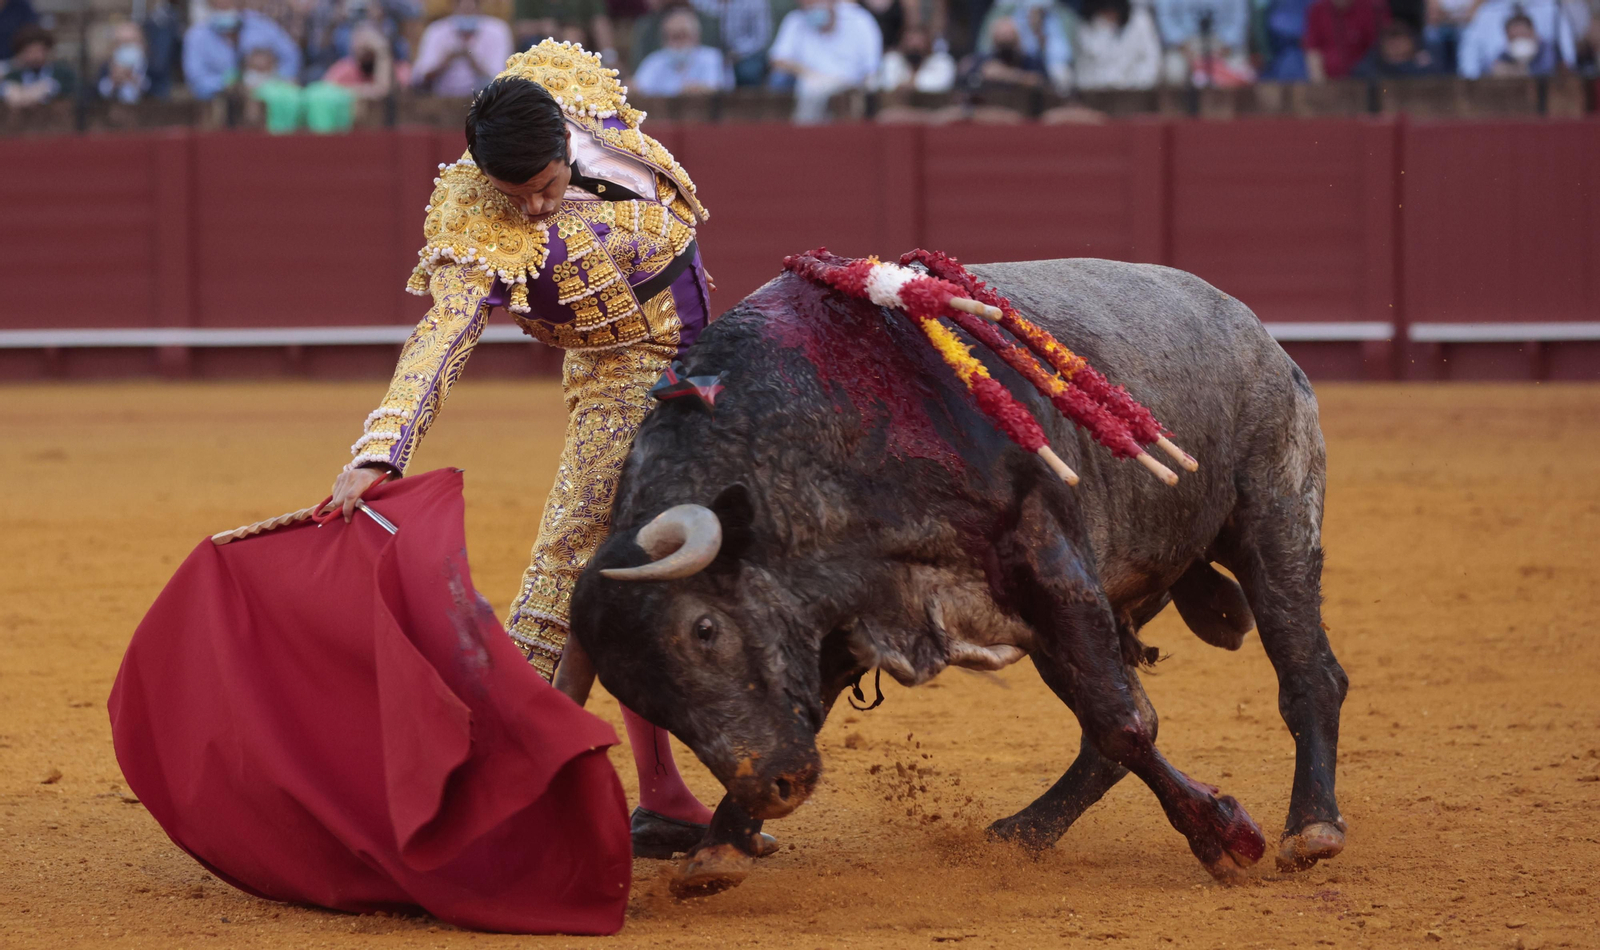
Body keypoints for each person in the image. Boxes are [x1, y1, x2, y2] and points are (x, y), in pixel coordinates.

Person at [325, 40, 764, 859]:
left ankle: (663, 795)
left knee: (681, 555)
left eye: (545, 189)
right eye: (513, 196)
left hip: (715, 351)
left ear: (566, 140)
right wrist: (381, 451)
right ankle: (510, 778)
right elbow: (441, 336)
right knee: (578, 561)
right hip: (619, 374)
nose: (531, 211)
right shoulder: (474, 226)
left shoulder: (567, 88)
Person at [768, 0, 884, 122]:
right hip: (810, 82)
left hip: (851, 83)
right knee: (806, 86)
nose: (811, 7)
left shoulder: (860, 20)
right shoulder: (796, 20)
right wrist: (809, 74)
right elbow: (777, 59)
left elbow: (872, 67)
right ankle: (803, 135)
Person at [182, 0, 302, 100]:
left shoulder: (261, 25)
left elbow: (291, 56)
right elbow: (196, 81)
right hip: (222, 105)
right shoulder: (196, 36)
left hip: (269, 100)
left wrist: (274, 81)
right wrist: (228, 84)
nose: (225, 3)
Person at [412, 0, 514, 95]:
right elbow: (418, 78)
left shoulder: (498, 30)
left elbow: (501, 80)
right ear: (454, 7)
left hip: (484, 100)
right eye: (463, 10)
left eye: (470, 10)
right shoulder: (436, 30)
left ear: (479, 7)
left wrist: (472, 60)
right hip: (442, 98)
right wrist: (445, 61)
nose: (466, 15)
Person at [1455, 0, 1576, 76]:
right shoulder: (1486, 12)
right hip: (1497, 90)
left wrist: (1530, 71)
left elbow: (1568, 59)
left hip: (1546, 88)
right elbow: (1468, 65)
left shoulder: (1552, 8)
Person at [1153, 0, 1255, 85]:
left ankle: (1223, 108)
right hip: (1184, 44)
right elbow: (1165, 18)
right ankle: (1178, 109)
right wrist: (1182, 45)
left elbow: (1240, 17)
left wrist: (1226, 46)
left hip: (1223, 44)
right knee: (1174, 73)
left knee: (1241, 74)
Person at [632, 6, 727, 93]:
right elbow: (637, 88)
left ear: (696, 37)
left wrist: (698, 89)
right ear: (664, 40)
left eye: (683, 35)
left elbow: (717, 88)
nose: (679, 42)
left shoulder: (713, 58)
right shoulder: (654, 61)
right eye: (674, 36)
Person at [1073, 0, 1161, 88]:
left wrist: (1135, 85)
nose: (1110, 15)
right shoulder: (1086, 28)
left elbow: (1151, 60)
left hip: (1136, 91)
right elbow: (1085, 70)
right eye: (1106, 11)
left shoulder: (1140, 22)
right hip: (1098, 92)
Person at [689, 0, 774, 84]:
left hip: (747, 54)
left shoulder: (756, 2)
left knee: (747, 73)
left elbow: (761, 39)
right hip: (709, 51)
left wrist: (737, 53)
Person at [1303, 0, 1388, 80]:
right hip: (1329, 80)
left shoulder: (1367, 8)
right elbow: (1313, 50)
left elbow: (1375, 48)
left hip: (1363, 80)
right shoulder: (1318, 10)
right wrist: (1320, 83)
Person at [323, 18, 414, 92]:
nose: (361, 46)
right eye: (357, 41)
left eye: (367, 44)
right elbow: (324, 92)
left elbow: (386, 93)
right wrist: (368, 91)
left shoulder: (401, 69)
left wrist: (382, 52)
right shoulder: (343, 69)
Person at [2, 25, 75, 108]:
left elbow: (73, 91)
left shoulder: (63, 74)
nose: (35, 56)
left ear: (48, 51)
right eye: (29, 52)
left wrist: (47, 87)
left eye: (38, 51)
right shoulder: (13, 76)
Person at [966, 13, 1049, 86]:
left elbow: (1042, 82)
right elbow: (967, 79)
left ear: (1018, 39)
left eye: (1010, 39)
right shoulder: (983, 61)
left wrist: (1006, 74)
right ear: (994, 41)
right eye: (1002, 41)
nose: (1006, 46)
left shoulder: (1032, 62)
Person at [513, 0, 617, 57]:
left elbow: (599, 21)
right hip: (538, 47)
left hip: (581, 45)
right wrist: (542, 26)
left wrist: (609, 55)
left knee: (573, 38)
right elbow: (518, 28)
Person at [878, 23, 958, 90]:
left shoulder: (943, 62)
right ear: (902, 43)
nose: (914, 46)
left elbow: (937, 85)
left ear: (929, 44)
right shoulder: (891, 60)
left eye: (919, 42)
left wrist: (912, 83)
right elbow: (888, 85)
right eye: (910, 41)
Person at [1354, 19, 1441, 71]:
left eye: (1399, 44)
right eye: (1392, 45)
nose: (1396, 49)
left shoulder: (1425, 65)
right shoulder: (1370, 67)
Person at [97, 22, 152, 103]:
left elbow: (159, 92)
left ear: (142, 42)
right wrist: (113, 81)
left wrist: (135, 80)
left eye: (130, 42)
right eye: (121, 42)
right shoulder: (106, 67)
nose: (126, 47)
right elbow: (96, 92)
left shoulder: (154, 67)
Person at [1486, 9, 1559, 69]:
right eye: (1514, 37)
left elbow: (1549, 70)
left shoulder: (1549, 51)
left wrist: (1523, 70)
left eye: (1523, 35)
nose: (1519, 41)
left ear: (1532, 32)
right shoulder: (1504, 56)